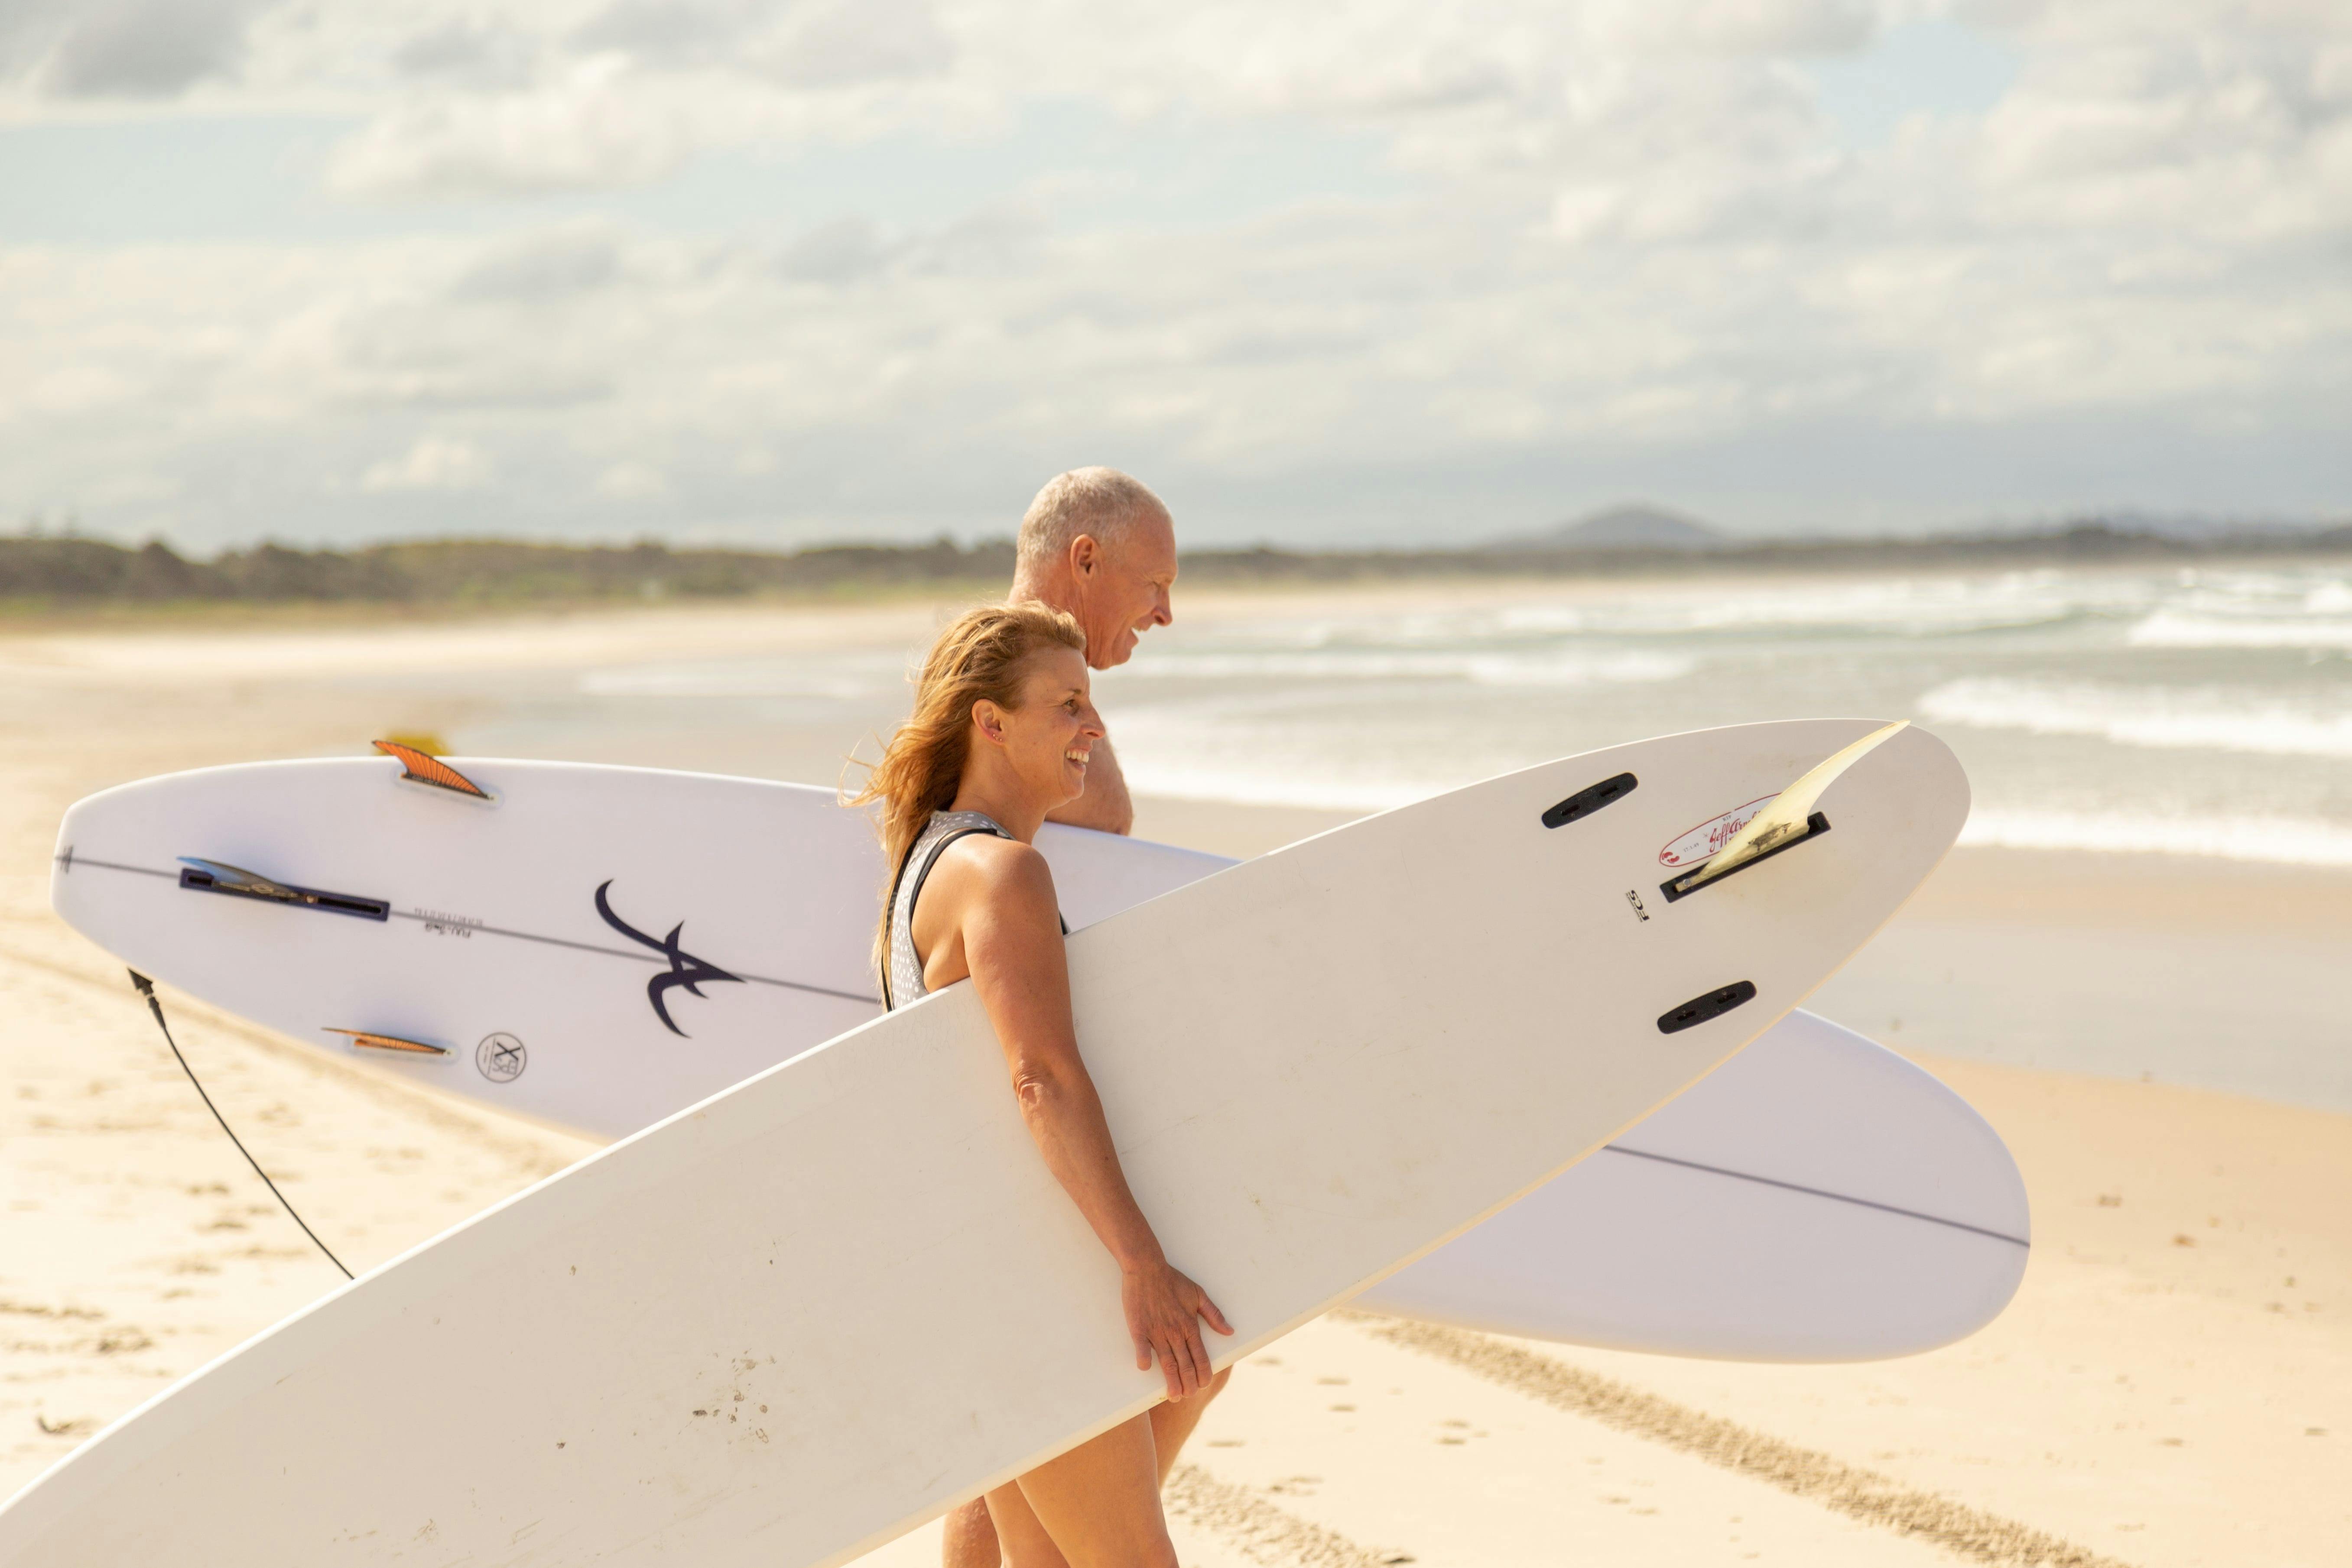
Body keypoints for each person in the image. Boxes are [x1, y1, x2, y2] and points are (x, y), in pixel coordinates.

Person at [853, 601, 1234, 1568]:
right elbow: (1040, 1080)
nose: (1092, 730)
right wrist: (1141, 1265)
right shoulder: (1000, 875)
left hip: (982, 1287)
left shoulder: (920, 873)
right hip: (1035, 1294)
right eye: (1067, 705)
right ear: (990, 722)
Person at [1008, 468, 1181, 838]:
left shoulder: (1018, 672)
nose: (1165, 615)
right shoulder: (1001, 681)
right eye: (1155, 584)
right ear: (1086, 560)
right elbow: (1108, 817)